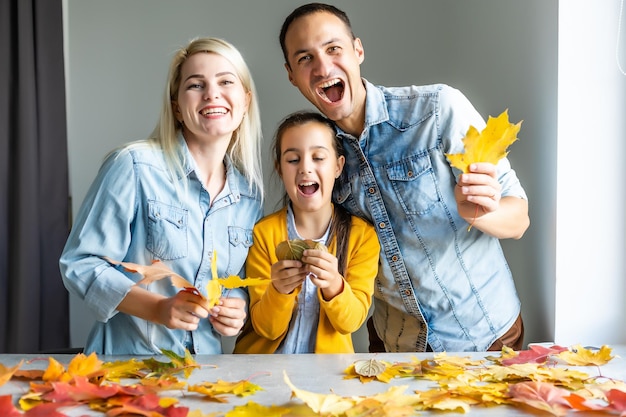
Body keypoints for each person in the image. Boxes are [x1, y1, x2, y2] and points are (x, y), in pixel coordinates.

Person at [278, 3, 530, 352]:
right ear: (291, 74)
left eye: (333, 48)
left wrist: (484, 212)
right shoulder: (318, 159)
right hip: (394, 348)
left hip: (485, 337)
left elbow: (519, 218)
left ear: (358, 50)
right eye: (305, 58)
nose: (323, 67)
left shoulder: (438, 109)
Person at [59, 37, 264, 355]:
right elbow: (80, 263)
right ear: (177, 108)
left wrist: (236, 308)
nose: (212, 93)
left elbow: (234, 280)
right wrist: (157, 308)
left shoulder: (249, 197)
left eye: (226, 81)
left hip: (206, 376)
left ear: (246, 101)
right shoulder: (134, 165)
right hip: (126, 372)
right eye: (196, 85)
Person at [233, 111, 380, 354]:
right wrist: (279, 291)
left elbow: (351, 322)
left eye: (318, 157)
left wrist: (334, 284)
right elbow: (265, 329)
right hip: (263, 373)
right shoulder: (264, 234)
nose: (305, 168)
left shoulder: (362, 237)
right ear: (280, 169)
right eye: (293, 160)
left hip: (327, 377)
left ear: (337, 166)